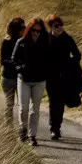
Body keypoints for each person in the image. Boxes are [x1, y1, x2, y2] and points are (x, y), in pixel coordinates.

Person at [45, 15, 82, 141]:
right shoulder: (46, 39)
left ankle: (57, 127)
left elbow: (77, 55)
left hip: (64, 75)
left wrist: (68, 63)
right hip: (50, 76)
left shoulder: (67, 39)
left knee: (61, 103)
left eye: (61, 25)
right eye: (56, 25)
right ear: (51, 26)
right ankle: (53, 128)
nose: (59, 28)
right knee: (53, 102)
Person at [13, 17, 51, 145]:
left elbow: (51, 60)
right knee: (23, 108)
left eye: (38, 31)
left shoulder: (45, 44)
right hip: (24, 80)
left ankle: (32, 135)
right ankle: (22, 128)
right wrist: (20, 68)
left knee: (35, 109)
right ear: (29, 30)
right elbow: (14, 59)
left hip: (39, 81)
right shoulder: (21, 42)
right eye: (33, 30)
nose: (35, 33)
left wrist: (46, 71)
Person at [0, 17, 24, 122]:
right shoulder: (7, 42)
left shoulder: (24, 42)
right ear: (16, 29)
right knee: (9, 104)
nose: (25, 28)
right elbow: (3, 61)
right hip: (8, 77)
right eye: (22, 26)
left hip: (21, 77)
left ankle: (22, 128)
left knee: (22, 105)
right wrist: (16, 64)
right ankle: (8, 130)